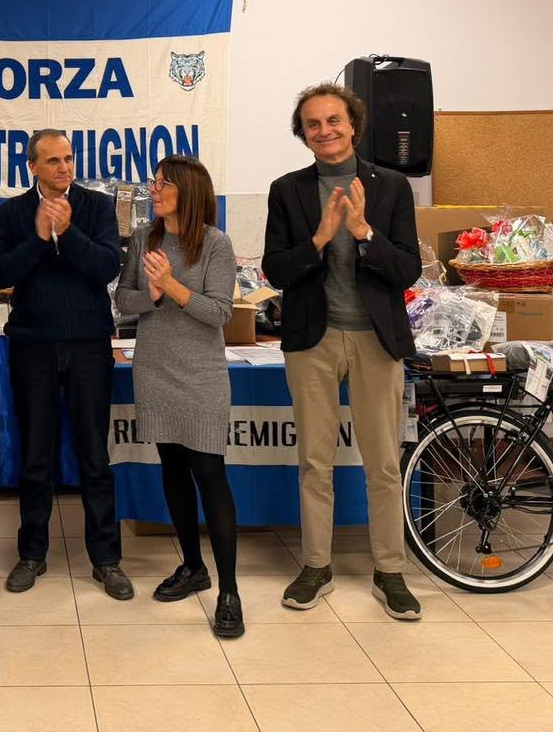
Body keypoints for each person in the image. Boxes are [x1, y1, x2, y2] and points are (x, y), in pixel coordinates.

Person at [263, 83, 423, 621]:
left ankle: (390, 571)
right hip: (314, 340)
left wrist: (362, 232)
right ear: (303, 134)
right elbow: (276, 270)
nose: (325, 131)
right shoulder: (287, 190)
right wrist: (319, 237)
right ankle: (316, 565)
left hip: (377, 340)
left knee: (383, 463)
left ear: (353, 125)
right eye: (313, 124)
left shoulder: (392, 186)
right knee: (315, 462)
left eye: (334, 120)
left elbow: (407, 270)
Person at [0, 128, 131, 600]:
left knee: (94, 456)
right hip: (33, 346)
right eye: (52, 160)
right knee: (36, 456)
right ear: (32, 166)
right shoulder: (12, 212)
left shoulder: (96, 207)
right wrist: (38, 237)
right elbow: (0, 274)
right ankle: (32, 553)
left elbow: (107, 267)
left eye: (68, 158)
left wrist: (67, 233)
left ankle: (106, 559)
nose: (64, 167)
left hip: (89, 345)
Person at [115, 155, 243, 639]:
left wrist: (170, 284)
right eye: (154, 182)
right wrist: (151, 293)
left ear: (187, 191)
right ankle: (193, 566)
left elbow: (220, 313)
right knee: (172, 469)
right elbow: (123, 301)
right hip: (154, 370)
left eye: (162, 183)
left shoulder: (215, 243)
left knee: (210, 475)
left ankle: (229, 592)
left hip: (201, 375)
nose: (153, 189)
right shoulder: (143, 239)